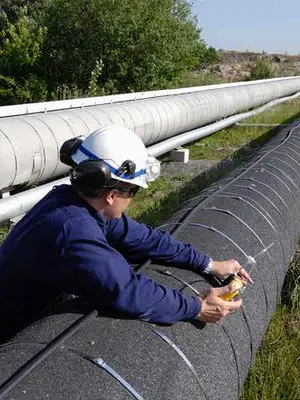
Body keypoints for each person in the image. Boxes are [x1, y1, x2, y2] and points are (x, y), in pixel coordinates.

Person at [0, 125, 252, 343]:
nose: (131, 200)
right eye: (133, 192)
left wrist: (208, 265)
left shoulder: (75, 203)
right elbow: (126, 290)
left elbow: (146, 239)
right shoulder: (73, 231)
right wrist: (197, 307)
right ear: (111, 195)